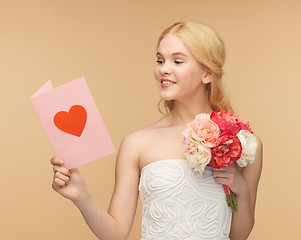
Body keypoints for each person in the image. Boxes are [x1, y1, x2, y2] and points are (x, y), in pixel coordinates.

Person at [51, 21, 263, 240]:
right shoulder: (137, 143)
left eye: (177, 61)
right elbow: (116, 234)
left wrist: (242, 190)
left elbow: (240, 236)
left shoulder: (242, 143)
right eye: (160, 60)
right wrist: (82, 196)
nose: (164, 69)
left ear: (207, 74)